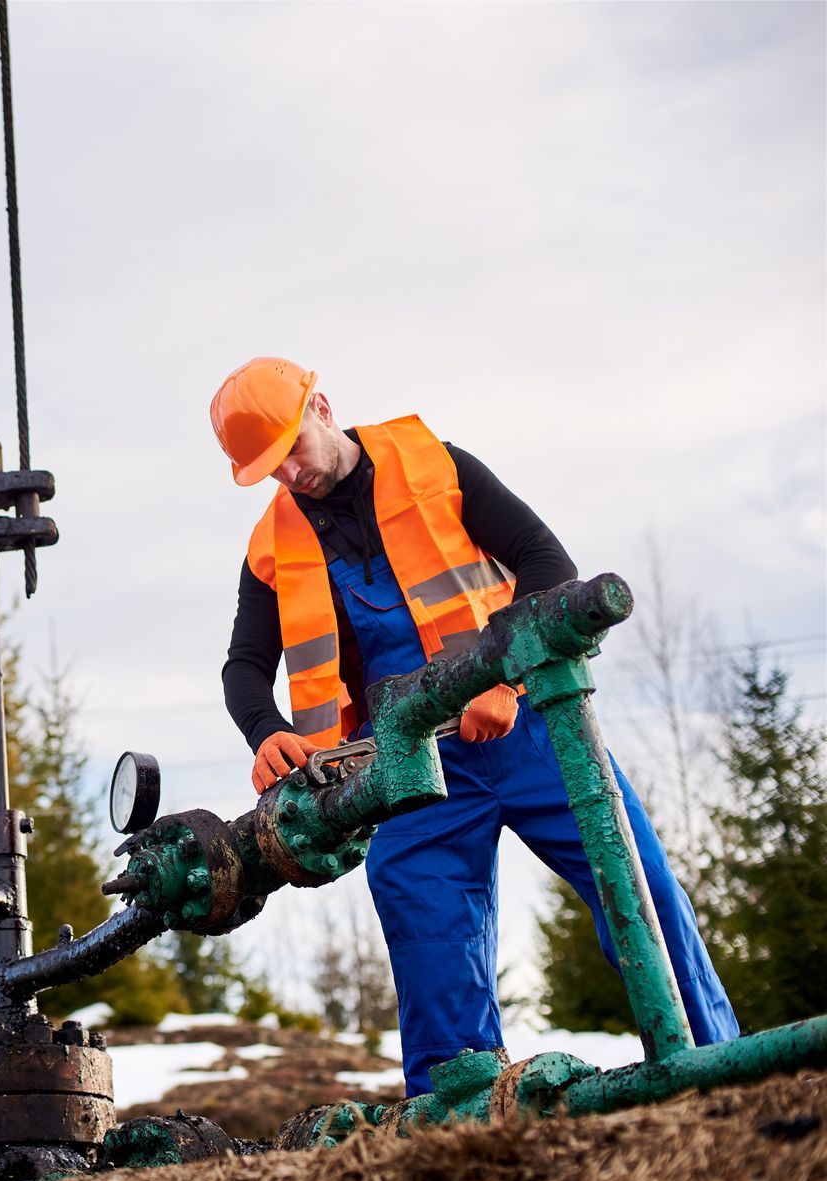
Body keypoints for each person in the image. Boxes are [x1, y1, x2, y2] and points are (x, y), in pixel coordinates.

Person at [211, 356, 737, 1094]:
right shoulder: (270, 545)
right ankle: (457, 1116)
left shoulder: (437, 464)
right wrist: (265, 730)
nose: (290, 475)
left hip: (532, 732)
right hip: (407, 767)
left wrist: (506, 675)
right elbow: (243, 665)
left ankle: (719, 1072)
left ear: (322, 407)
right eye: (269, 468)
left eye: (293, 448)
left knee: (638, 887)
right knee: (429, 938)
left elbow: (546, 561)